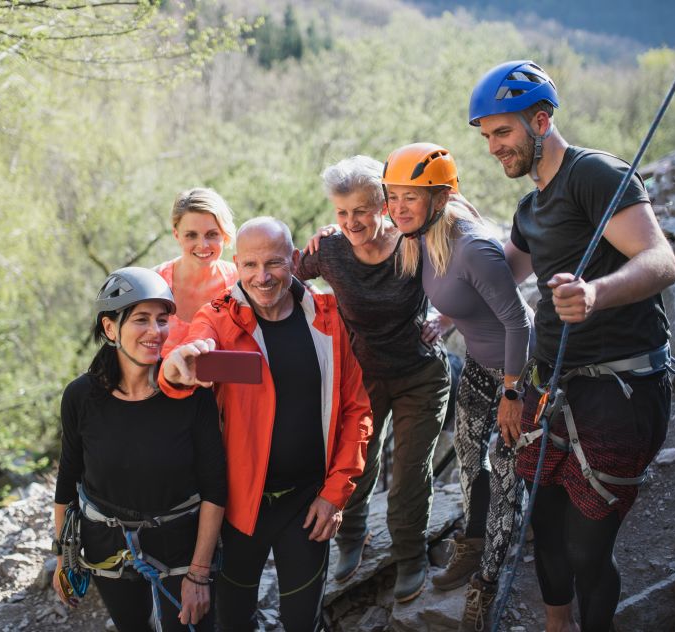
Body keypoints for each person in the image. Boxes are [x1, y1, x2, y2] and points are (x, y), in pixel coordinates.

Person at [469, 60, 675, 632]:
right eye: (486, 136)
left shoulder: (595, 176)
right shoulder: (531, 208)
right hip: (556, 385)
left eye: (503, 132)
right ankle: (556, 626)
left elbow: (661, 261)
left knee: (587, 547)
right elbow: (501, 273)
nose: (493, 147)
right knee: (545, 528)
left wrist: (595, 292)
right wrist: (427, 238)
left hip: (621, 387)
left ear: (541, 121)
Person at [159, 217, 373, 631]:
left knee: (301, 622)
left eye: (273, 263)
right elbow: (184, 359)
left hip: (308, 501)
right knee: (235, 621)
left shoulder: (326, 318)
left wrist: (335, 493)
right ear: (236, 265)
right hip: (240, 506)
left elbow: (355, 410)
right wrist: (177, 368)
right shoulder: (218, 318)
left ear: (293, 260)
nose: (262, 277)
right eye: (251, 265)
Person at [381, 143, 533, 631]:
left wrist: (514, 395)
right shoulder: (422, 237)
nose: (398, 208)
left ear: (441, 198)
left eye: (411, 197)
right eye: (393, 197)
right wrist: (445, 318)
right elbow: (463, 293)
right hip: (481, 366)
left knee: (506, 474)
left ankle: (488, 585)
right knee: (470, 460)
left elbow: (518, 323)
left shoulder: (472, 245)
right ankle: (471, 547)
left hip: (520, 371)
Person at [298, 155, 451, 604]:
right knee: (355, 465)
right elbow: (275, 276)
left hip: (420, 374)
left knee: (407, 475)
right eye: (341, 213)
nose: (351, 222)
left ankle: (410, 556)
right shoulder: (329, 249)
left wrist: (446, 317)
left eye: (361, 210)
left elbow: (474, 274)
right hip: (362, 377)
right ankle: (352, 540)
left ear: (383, 204)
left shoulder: (416, 241)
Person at [52, 267, 227, 632]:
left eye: (162, 320)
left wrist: (198, 574)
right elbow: (68, 480)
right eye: (141, 319)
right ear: (110, 328)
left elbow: (215, 489)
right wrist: (63, 556)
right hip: (107, 544)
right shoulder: (81, 397)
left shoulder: (191, 395)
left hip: (181, 544)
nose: (156, 331)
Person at [154, 187, 238, 354]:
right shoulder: (154, 283)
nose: (203, 245)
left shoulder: (241, 282)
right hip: (162, 379)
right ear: (177, 235)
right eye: (191, 235)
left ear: (224, 235)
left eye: (212, 234)